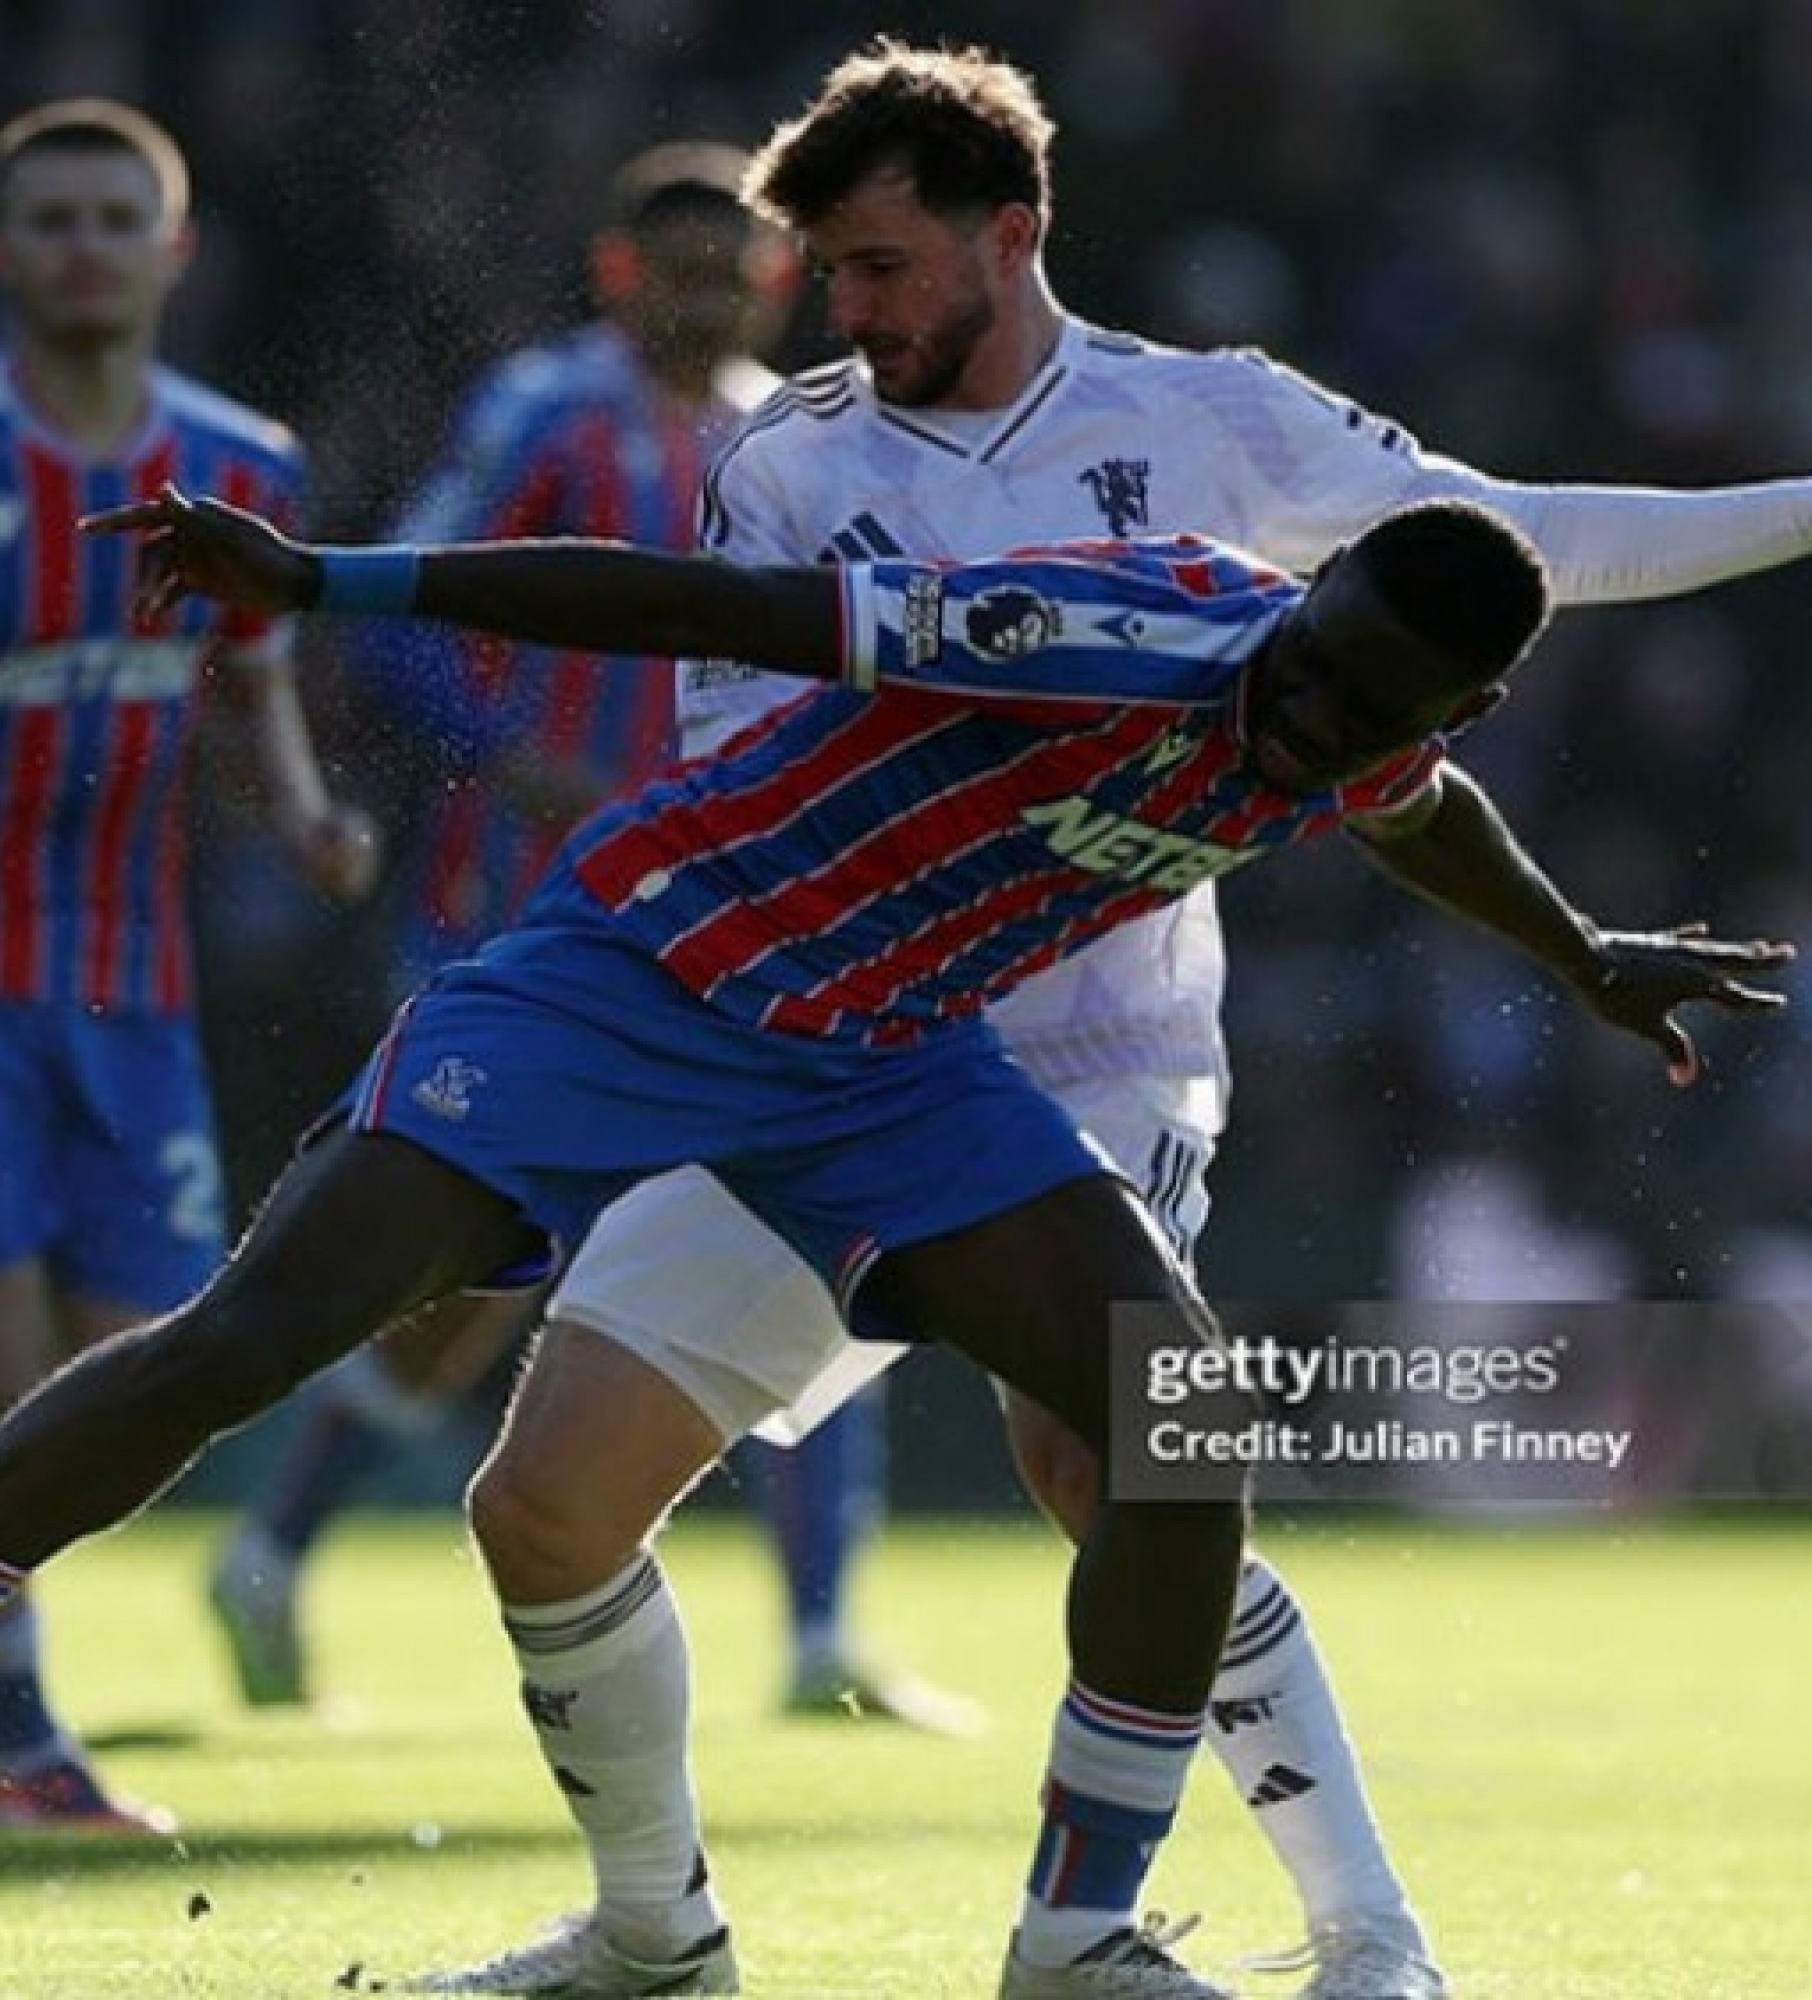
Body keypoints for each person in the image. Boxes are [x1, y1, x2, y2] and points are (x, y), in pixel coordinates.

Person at [0, 487, 1788, 2000]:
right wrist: (333, 580)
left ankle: (1073, 1939)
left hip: (877, 1066)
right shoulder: (1107, 632)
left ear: (1461, 703)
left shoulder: (1359, 726)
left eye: (1372, 707)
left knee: (1176, 1422)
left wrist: (1581, 951)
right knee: (253, 1336)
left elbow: (1410, 808)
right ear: (1310, 596)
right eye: (1316, 670)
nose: (1314, 720)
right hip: (637, 971)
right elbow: (712, 604)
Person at [471, 38, 1812, 2000]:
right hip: (833, 1049)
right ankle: (650, 1934)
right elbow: (736, 774)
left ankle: (1362, 1936)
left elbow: (1527, 540)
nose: (837, 313)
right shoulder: (786, 467)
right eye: (829, 275)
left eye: (875, 267)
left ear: (1006, 236)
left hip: (1099, 1056)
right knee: (546, 1497)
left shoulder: (1213, 423)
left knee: (1125, 1470)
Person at [200, 141, 968, 1732]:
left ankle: (826, 1630)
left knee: (810, 1233)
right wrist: (504, 750)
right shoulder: (548, 411)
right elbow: (417, 602)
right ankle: (271, 1549)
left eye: (734, 269)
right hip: (524, 911)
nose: (704, 294)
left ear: (775, 281)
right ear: (620, 276)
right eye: (672, 269)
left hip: (745, 919)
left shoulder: (789, 437)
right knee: (471, 1281)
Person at [0, 101, 377, 1832]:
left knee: (140, 1381)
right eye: (48, 220)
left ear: (172, 252)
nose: (82, 247)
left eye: (112, 220)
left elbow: (250, 664)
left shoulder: (242, 472)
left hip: (131, 991)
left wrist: (295, 813)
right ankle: (22, 1754)